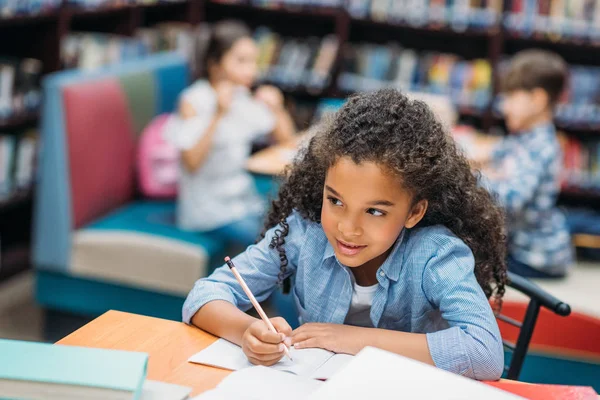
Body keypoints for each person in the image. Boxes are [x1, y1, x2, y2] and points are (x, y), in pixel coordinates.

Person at [183, 89, 507, 381]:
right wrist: (248, 331)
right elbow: (204, 295)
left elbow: (485, 352)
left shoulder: (435, 255)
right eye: (335, 201)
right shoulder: (303, 233)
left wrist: (350, 339)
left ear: (413, 212)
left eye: (375, 211)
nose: (347, 228)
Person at [167, 20, 295, 247]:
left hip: (243, 202)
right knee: (278, 246)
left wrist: (277, 108)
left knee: (298, 225)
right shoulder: (194, 100)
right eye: (241, 61)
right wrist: (217, 115)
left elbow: (287, 142)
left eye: (254, 61)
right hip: (209, 213)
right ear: (215, 63)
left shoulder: (242, 96)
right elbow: (191, 163)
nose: (252, 70)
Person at [479, 49, 573, 278]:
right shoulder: (525, 138)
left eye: (511, 97)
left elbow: (512, 199)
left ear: (537, 100)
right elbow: (496, 152)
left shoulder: (540, 146)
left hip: (535, 256)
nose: (504, 106)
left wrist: (476, 178)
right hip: (523, 246)